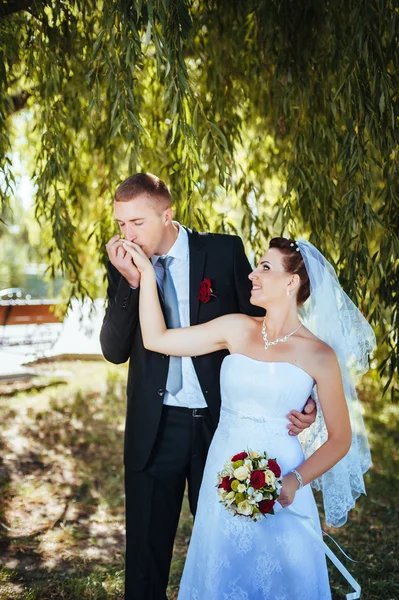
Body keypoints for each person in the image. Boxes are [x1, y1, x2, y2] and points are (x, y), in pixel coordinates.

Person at [100, 173, 316, 599]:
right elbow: (113, 350)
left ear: (168, 214)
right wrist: (130, 282)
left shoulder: (222, 251)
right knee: (145, 555)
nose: (127, 235)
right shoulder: (124, 264)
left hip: (221, 427)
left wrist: (301, 391)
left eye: (137, 223)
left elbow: (267, 330)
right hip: (155, 426)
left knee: (230, 544)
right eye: (121, 224)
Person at [122, 235, 375, 599]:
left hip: (283, 478)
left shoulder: (319, 354)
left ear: (291, 282)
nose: (253, 275)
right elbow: (157, 339)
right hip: (222, 472)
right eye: (257, 265)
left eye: (265, 267)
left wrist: (293, 482)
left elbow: (340, 439)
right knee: (222, 573)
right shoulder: (237, 328)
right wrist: (147, 274)